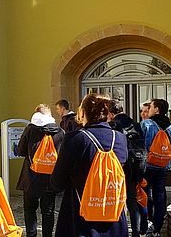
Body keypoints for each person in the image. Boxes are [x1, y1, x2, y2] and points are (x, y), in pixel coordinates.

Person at [50, 93, 128, 237]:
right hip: (113, 217)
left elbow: (57, 183)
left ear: (83, 112)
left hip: (81, 218)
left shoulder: (75, 139)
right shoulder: (120, 138)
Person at [16, 104, 64, 237]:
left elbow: (20, 151)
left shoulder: (30, 130)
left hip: (31, 178)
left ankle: (31, 234)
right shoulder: (60, 132)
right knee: (48, 210)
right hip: (50, 179)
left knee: (29, 209)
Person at [107, 99, 148, 237]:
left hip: (124, 165)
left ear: (111, 113)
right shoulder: (135, 123)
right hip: (139, 164)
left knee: (121, 199)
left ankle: (121, 231)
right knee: (134, 199)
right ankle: (139, 230)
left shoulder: (114, 125)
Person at [140, 98, 171, 237]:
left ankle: (148, 222)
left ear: (156, 110)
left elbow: (141, 144)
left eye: (150, 107)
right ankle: (158, 226)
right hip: (163, 165)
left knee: (145, 193)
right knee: (159, 194)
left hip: (148, 165)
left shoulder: (146, 124)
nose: (148, 110)